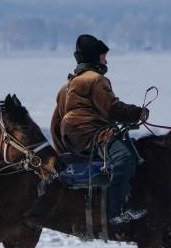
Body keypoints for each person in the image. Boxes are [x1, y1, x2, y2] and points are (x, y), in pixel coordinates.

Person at [50, 34, 149, 226]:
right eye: (103, 56)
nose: (106, 60)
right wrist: (138, 113)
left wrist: (64, 154)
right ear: (94, 57)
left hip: (73, 140)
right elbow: (112, 109)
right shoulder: (95, 80)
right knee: (125, 159)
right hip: (93, 134)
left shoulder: (66, 86)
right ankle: (116, 212)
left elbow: (55, 123)